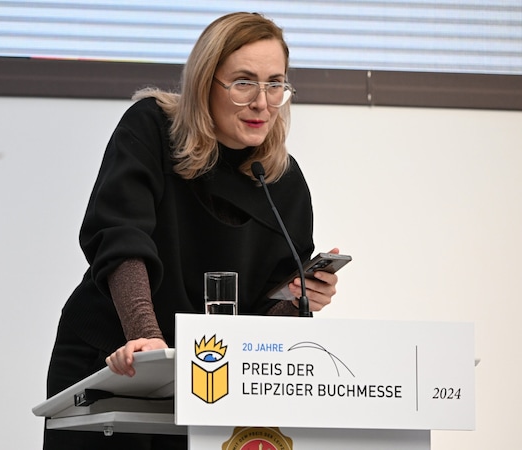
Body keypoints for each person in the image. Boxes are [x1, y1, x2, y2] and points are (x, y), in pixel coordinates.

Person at [43, 11, 340, 450]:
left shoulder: (283, 182)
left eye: (275, 83)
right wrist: (146, 337)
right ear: (206, 83)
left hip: (208, 385)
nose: (262, 102)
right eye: (244, 82)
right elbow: (122, 240)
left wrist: (298, 299)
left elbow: (262, 316)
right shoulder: (151, 129)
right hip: (112, 364)